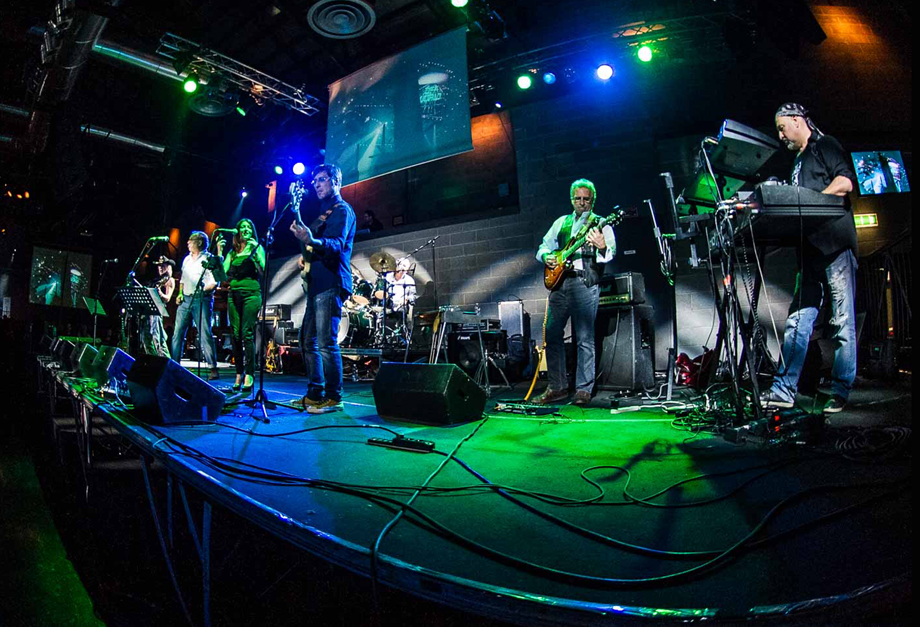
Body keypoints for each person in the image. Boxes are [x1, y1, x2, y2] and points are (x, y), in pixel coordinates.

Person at [763, 103, 857, 414]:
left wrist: (815, 203)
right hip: (809, 251)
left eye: (782, 128)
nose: (780, 136)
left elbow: (845, 183)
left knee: (842, 321)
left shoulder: (824, 145)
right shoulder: (797, 161)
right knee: (797, 321)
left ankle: (840, 390)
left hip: (834, 245)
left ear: (796, 120)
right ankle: (783, 390)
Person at [534, 178, 616, 405]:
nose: (582, 202)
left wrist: (601, 246)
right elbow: (543, 246)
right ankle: (557, 387)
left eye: (586, 199)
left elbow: (610, 253)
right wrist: (547, 256)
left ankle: (583, 390)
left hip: (584, 283)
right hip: (559, 284)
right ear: (572, 200)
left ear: (593, 200)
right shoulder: (561, 222)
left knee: (585, 338)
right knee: (552, 334)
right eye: (578, 198)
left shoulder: (601, 223)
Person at [290, 163, 357, 413]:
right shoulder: (322, 214)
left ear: (335, 181)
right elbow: (313, 246)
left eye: (321, 179)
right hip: (316, 284)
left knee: (326, 343)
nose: (316, 184)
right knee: (307, 341)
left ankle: (334, 397)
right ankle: (314, 393)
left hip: (331, 281)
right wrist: (306, 253)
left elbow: (336, 245)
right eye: (314, 180)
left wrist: (312, 240)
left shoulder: (342, 210)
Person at [216, 219, 264, 392]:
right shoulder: (233, 252)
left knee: (246, 333)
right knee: (235, 334)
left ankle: (249, 374)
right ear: (237, 232)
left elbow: (263, 270)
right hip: (233, 295)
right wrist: (219, 251)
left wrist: (256, 252)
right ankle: (239, 373)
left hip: (251, 294)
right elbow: (222, 274)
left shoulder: (257, 247)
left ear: (252, 231)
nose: (245, 229)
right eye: (242, 227)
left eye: (248, 227)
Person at [170, 231, 220, 380]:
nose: (187, 242)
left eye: (191, 240)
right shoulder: (186, 259)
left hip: (201, 299)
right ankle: (174, 365)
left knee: (204, 333)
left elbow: (214, 283)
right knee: (177, 333)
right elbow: (183, 280)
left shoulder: (209, 259)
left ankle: (212, 367)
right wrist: (180, 293)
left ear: (199, 242)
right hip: (185, 299)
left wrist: (202, 291)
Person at [141, 257, 175, 358]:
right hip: (148, 311)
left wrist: (160, 293)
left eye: (163, 266)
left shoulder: (170, 280)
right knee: (145, 337)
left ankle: (165, 360)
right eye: (159, 266)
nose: (160, 268)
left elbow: (167, 298)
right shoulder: (156, 280)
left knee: (158, 338)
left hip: (157, 312)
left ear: (168, 267)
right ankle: (152, 359)